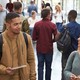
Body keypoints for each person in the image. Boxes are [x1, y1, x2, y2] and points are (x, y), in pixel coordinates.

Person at [0, 12, 36, 80]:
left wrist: (33, 77)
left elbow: (31, 60)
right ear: (7, 25)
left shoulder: (26, 37)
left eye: (20, 23)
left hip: (24, 77)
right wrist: (4, 70)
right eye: (15, 24)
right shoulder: (1, 40)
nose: (19, 26)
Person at [32, 8, 60, 80]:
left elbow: (34, 38)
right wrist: (52, 41)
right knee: (48, 67)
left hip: (40, 48)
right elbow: (57, 37)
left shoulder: (37, 24)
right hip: (49, 49)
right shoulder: (52, 25)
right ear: (48, 15)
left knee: (40, 67)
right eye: (50, 14)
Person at [59, 10, 80, 80]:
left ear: (69, 16)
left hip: (66, 51)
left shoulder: (65, 27)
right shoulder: (79, 27)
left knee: (65, 69)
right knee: (75, 70)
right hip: (76, 52)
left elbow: (57, 37)